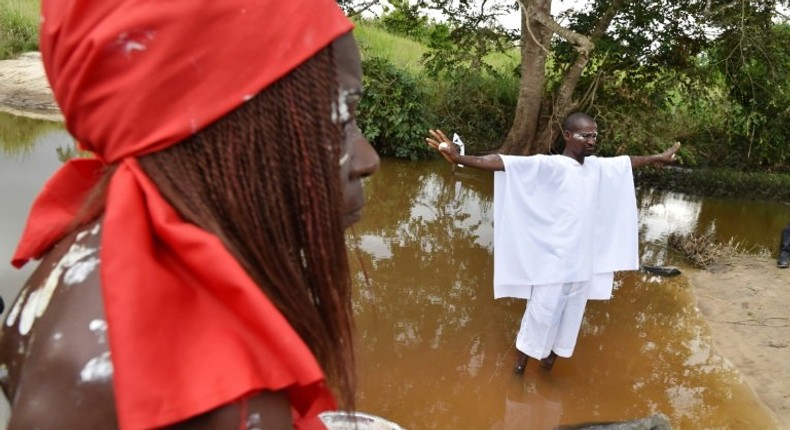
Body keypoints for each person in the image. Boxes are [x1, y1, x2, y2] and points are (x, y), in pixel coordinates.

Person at [0, 1, 379, 429]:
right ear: (226, 130)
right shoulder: (218, 399)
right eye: (338, 120)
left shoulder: (81, 251)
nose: (368, 159)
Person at [425, 113, 680, 374]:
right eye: (585, 135)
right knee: (539, 318)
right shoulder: (552, 165)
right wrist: (460, 158)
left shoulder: (596, 168)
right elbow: (503, 162)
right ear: (568, 136)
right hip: (554, 266)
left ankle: (547, 369)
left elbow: (627, 163)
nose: (592, 141)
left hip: (583, 267)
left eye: (595, 135)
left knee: (568, 326)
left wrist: (656, 158)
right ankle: (519, 372)